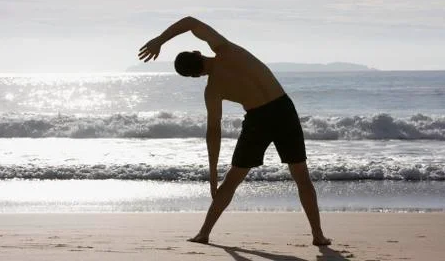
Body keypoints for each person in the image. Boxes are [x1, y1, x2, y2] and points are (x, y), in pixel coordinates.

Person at [138, 16, 331, 246]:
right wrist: (159, 41)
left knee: (231, 181)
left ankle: (204, 233)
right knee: (301, 177)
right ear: (197, 53)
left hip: (257, 120)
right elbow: (189, 22)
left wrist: (212, 175)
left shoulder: (212, 90)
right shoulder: (225, 49)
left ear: (194, 76)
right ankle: (318, 236)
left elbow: (213, 132)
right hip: (283, 109)